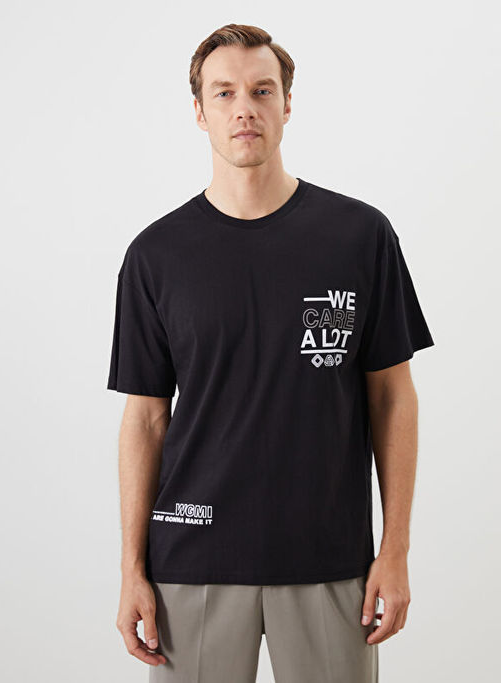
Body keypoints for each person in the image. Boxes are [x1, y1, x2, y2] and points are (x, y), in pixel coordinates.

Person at [106, 23, 435, 683]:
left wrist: (394, 549)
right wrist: (132, 569)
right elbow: (145, 419)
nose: (244, 109)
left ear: (288, 103)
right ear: (199, 112)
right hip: (192, 555)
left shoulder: (359, 235)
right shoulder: (155, 255)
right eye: (223, 93)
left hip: (330, 558)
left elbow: (392, 396)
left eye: (261, 90)